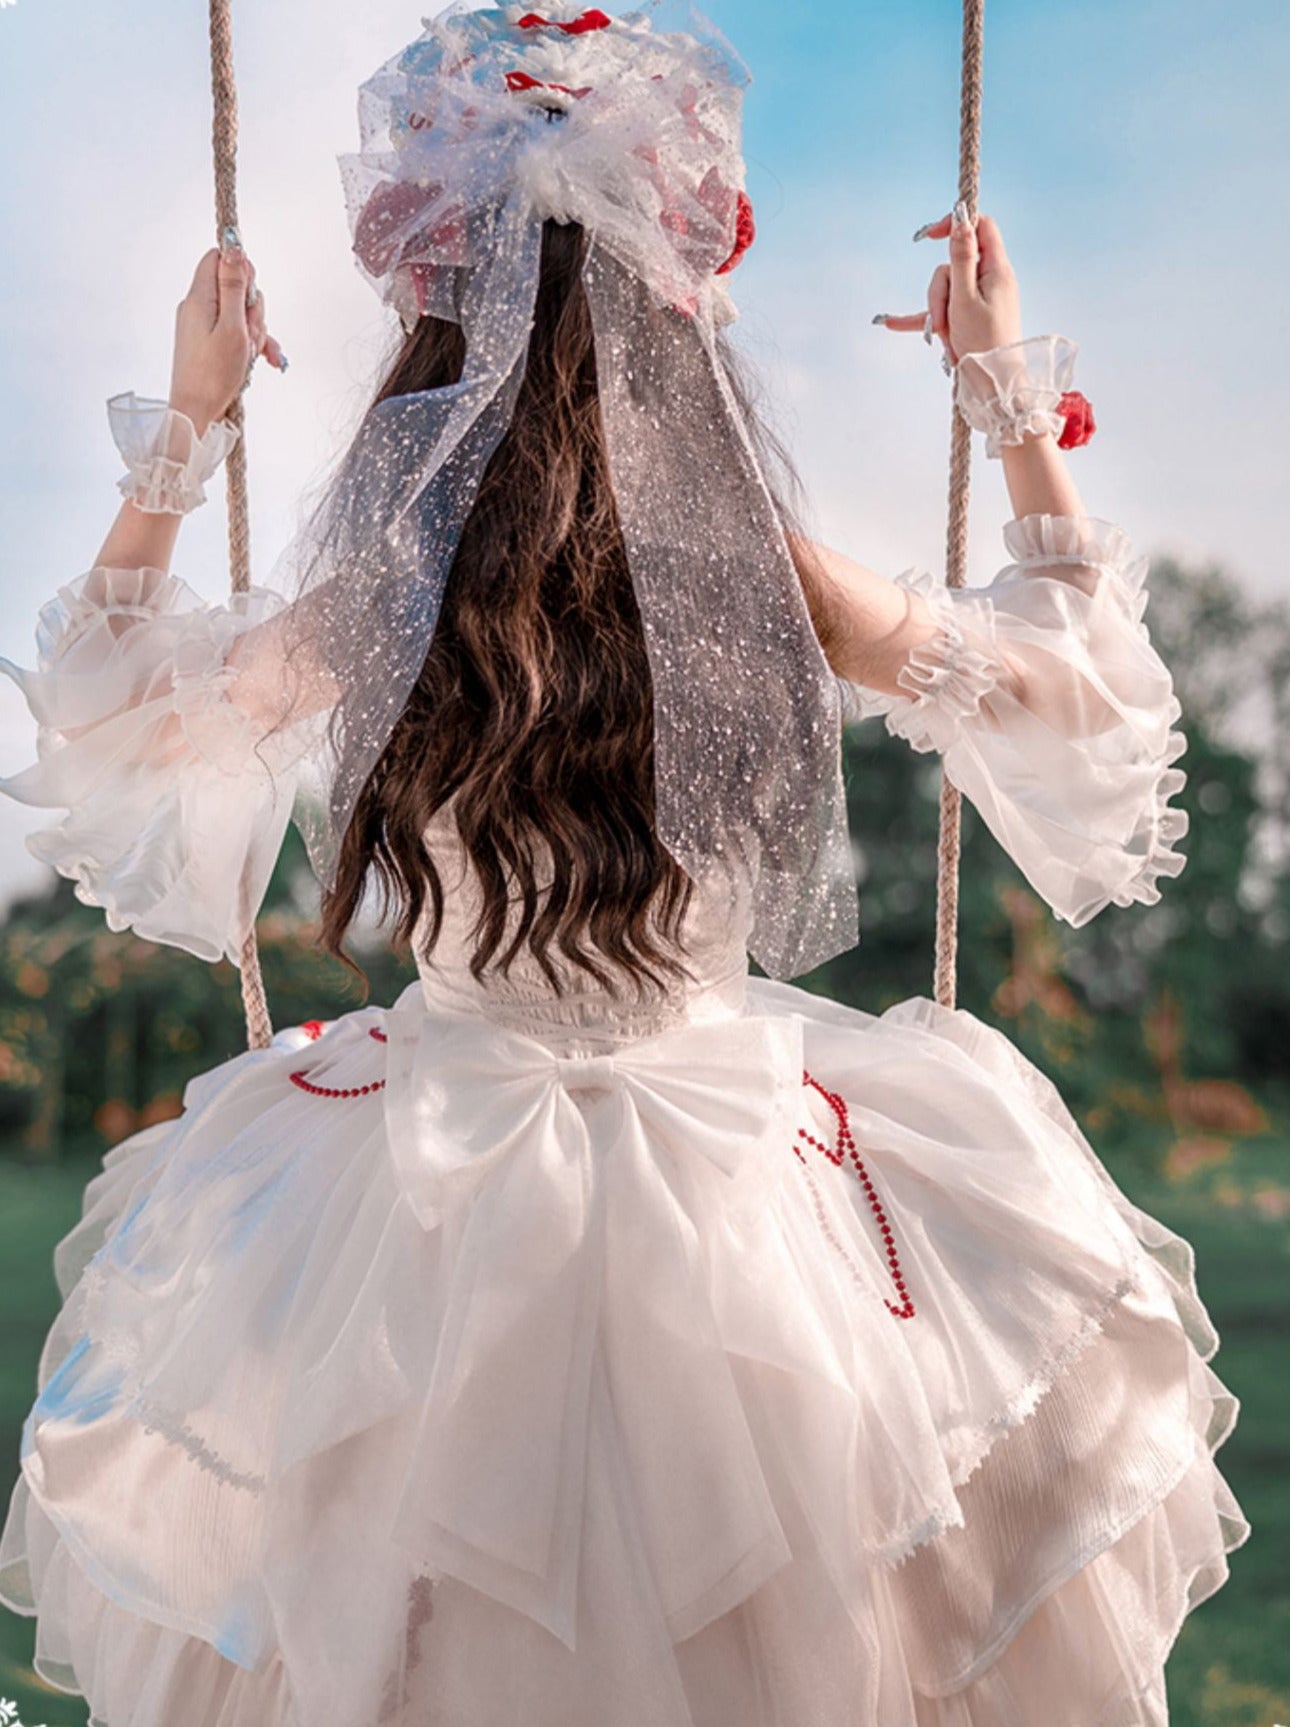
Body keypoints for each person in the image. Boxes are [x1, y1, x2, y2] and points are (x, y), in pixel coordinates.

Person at [0, 3, 1248, 1723]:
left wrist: (187, 429)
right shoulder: (764, 576)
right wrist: (1002, 397)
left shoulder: (382, 602)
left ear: (431, 308)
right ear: (686, 297)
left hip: (419, 1206)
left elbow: (103, 727)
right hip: (745, 1184)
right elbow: (1084, 698)